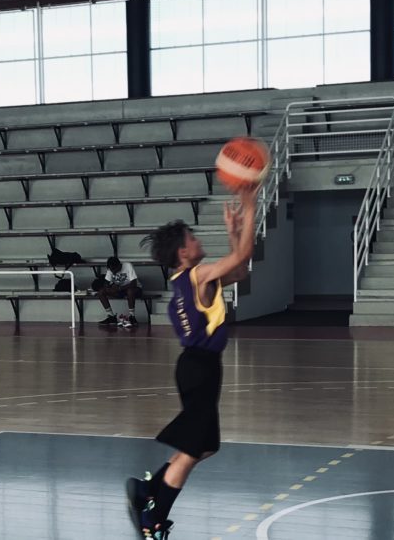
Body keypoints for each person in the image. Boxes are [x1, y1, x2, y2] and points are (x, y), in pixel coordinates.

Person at [125, 187, 257, 539]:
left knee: (206, 446)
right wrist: (250, 205)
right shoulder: (199, 276)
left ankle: (147, 489)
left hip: (195, 368)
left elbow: (241, 271)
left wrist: (233, 232)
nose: (198, 240)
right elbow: (244, 254)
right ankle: (152, 520)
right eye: (193, 237)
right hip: (200, 368)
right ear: (184, 252)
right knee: (193, 449)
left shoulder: (184, 283)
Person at [96, 257, 143, 329]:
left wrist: (119, 288)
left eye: (114, 269)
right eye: (111, 270)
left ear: (119, 265)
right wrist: (111, 287)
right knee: (101, 292)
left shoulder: (128, 265)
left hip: (134, 289)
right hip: (119, 290)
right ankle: (111, 316)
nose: (113, 272)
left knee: (130, 291)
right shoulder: (110, 269)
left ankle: (132, 316)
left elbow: (134, 283)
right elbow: (106, 283)